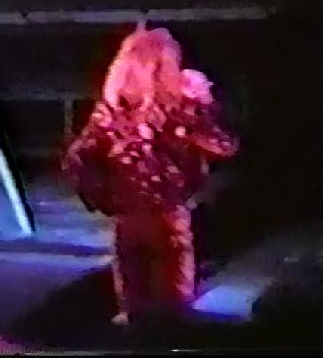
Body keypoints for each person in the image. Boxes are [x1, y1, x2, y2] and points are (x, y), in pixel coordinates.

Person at [62, 22, 238, 324]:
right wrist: (204, 104)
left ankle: (136, 330)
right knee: (172, 299)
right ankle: (167, 331)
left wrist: (101, 196)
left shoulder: (112, 111)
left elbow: (78, 157)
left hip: (127, 214)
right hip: (167, 211)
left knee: (134, 296)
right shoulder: (178, 107)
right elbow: (224, 145)